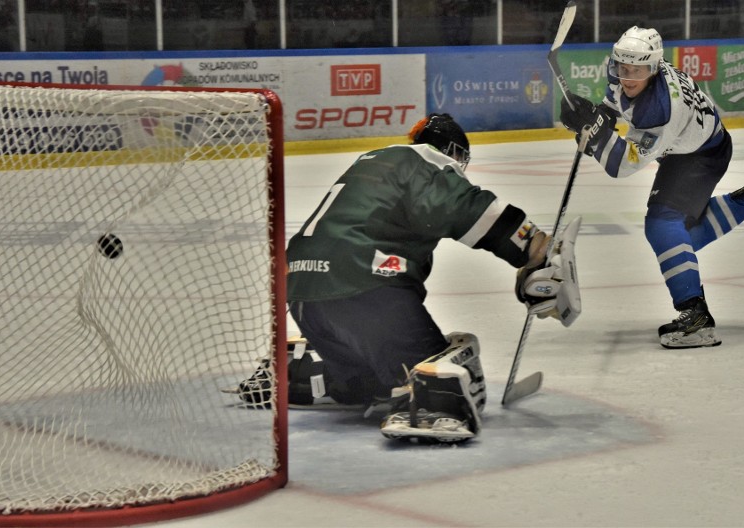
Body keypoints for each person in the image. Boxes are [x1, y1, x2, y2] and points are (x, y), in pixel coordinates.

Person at [240, 113, 577, 443]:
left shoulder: (376, 161)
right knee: (446, 363)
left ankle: (300, 372)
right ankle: (429, 405)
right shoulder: (427, 163)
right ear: (455, 153)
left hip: (302, 295)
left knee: (372, 381)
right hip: (364, 288)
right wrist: (536, 250)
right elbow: (470, 209)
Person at [558, 26, 744, 349]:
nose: (627, 77)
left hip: (700, 156)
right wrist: (593, 118)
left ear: (652, 69)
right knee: (680, 240)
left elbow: (623, 165)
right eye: (622, 69)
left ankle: (695, 317)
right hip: (692, 148)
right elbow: (614, 105)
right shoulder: (633, 73)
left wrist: (594, 136)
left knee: (663, 224)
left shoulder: (660, 108)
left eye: (636, 71)